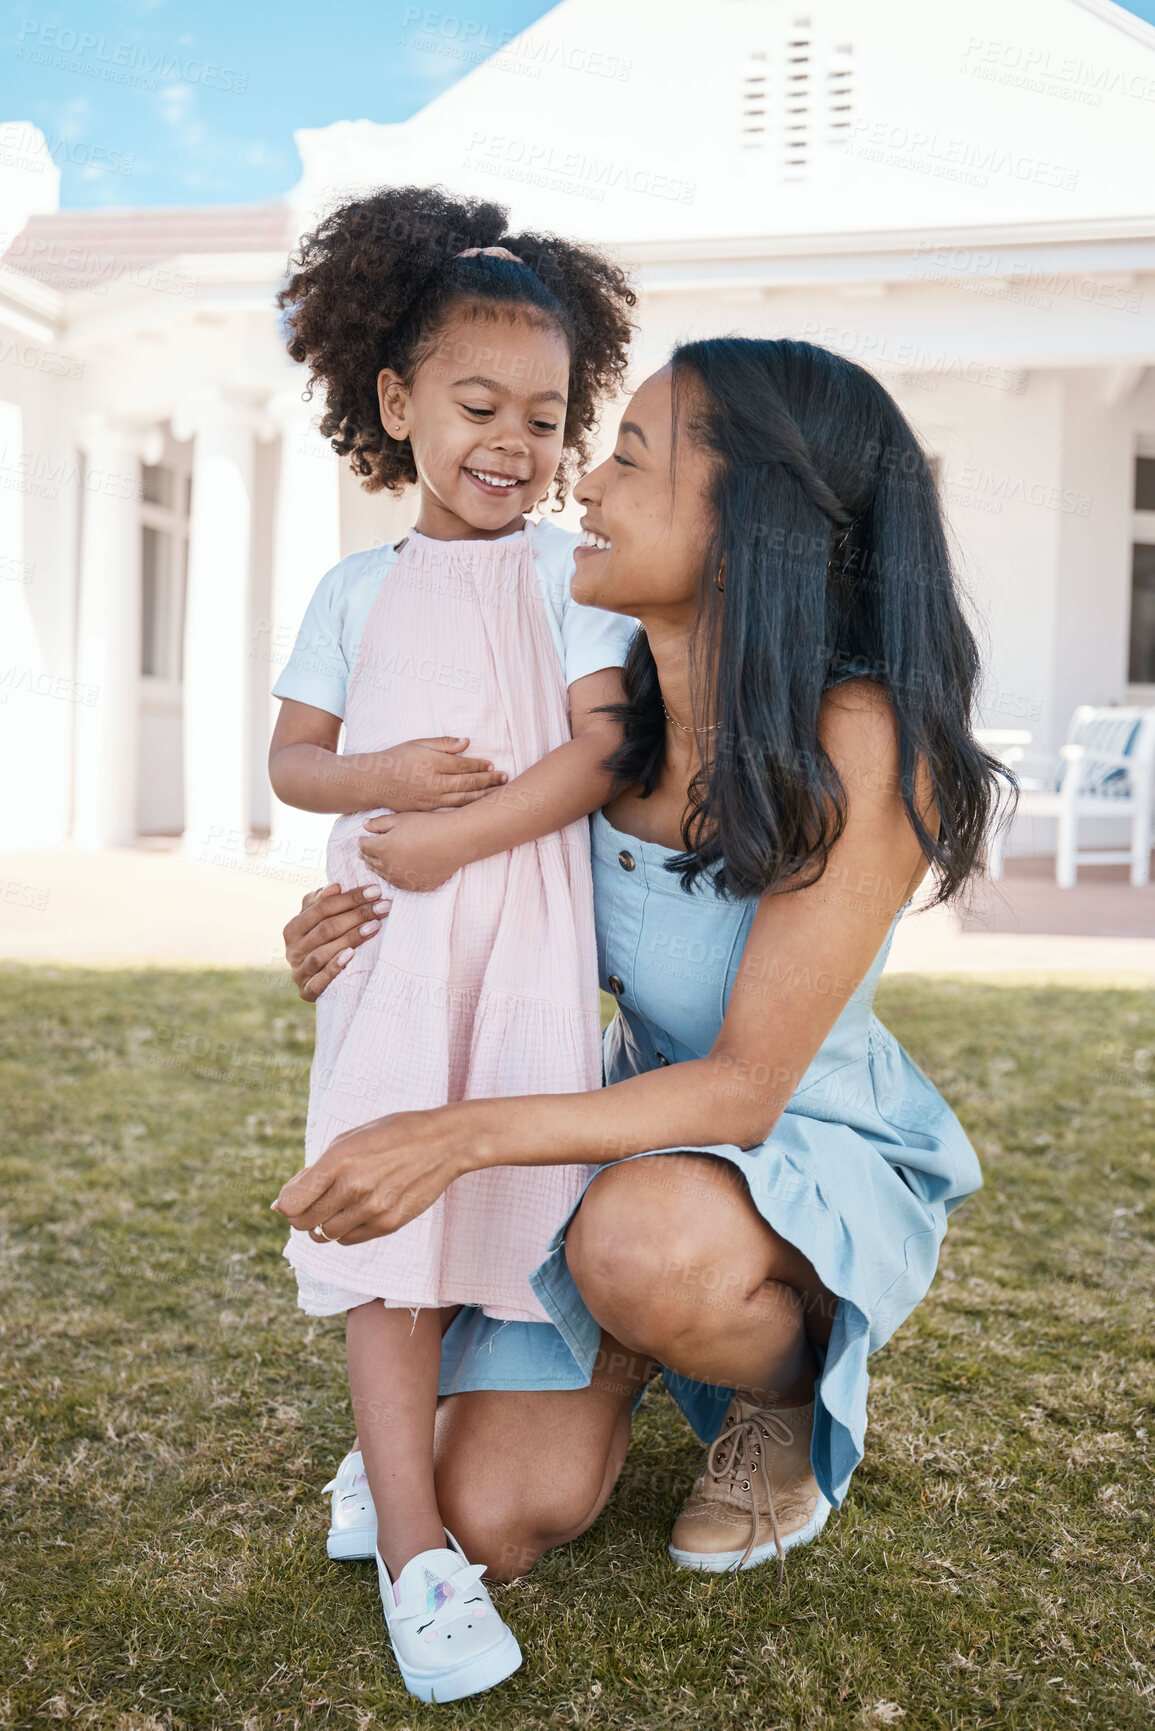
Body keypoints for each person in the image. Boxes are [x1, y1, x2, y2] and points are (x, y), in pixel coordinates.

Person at [275, 336, 999, 1624]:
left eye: (629, 458)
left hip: (791, 1135)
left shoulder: (861, 736)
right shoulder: (602, 730)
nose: (584, 488)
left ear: (752, 523)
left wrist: (452, 1139)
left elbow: (742, 1090)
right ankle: (618, 1337)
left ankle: (783, 1386)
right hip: (618, 1124)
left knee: (642, 1243)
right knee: (489, 1516)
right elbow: (482, 899)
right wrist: (347, 935)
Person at [267, 184, 637, 1703]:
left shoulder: (572, 579)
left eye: (547, 418)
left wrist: (455, 833)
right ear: (397, 398)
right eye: (478, 402)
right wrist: (383, 790)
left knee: (504, 1219)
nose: (514, 441)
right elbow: (298, 763)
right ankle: (419, 1554)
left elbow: (600, 757)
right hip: (389, 950)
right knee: (392, 1250)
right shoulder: (355, 589)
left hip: (523, 941)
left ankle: (408, 1458)